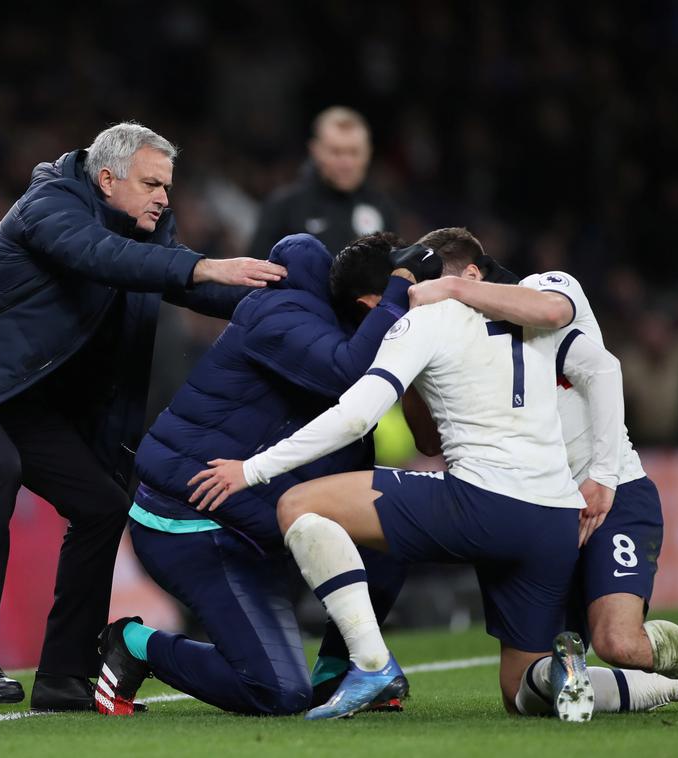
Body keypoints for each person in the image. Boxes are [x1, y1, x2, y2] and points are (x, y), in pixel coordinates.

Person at [0, 122, 285, 712]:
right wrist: (204, 266)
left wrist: (288, 295)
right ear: (107, 178)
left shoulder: (144, 228)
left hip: (16, 390)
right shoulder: (50, 204)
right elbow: (105, 257)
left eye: (167, 184)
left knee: (101, 505)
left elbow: (182, 282)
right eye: (151, 183)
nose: (165, 196)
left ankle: (64, 673)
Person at [191, 227, 591, 720]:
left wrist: (252, 469)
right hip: (555, 518)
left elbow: (355, 417)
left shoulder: (421, 322)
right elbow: (430, 439)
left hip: (485, 506)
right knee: (524, 691)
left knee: (298, 504)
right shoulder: (521, 310)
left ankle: (371, 664)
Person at [408, 264, 678, 716]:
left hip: (609, 495)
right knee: (525, 693)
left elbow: (600, 362)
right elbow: (429, 442)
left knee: (619, 641)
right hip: (539, 515)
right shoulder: (460, 346)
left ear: (470, 274)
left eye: (441, 280)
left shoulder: (541, 293)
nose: (433, 294)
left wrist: (604, 476)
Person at [90, 233, 442, 716]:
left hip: (257, 521)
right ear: (371, 305)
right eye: (404, 304)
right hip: (193, 522)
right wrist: (403, 289)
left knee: (394, 522)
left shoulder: (337, 326)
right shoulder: (283, 315)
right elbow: (347, 373)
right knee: (276, 693)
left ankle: (340, 673)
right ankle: (132, 644)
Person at [248, 107, 398, 261]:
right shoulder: (284, 207)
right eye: (336, 152)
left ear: (368, 152)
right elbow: (257, 272)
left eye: (354, 152)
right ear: (315, 150)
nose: (346, 163)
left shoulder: (382, 205)